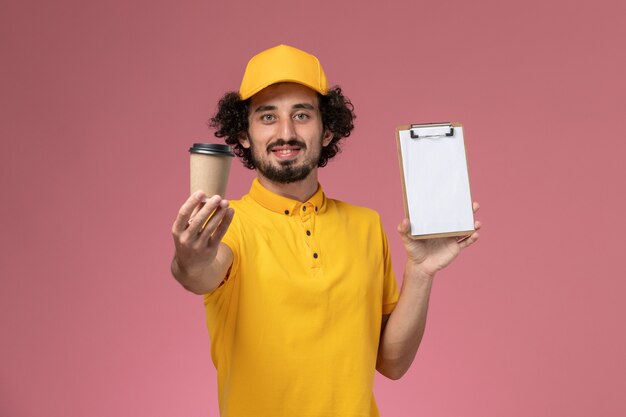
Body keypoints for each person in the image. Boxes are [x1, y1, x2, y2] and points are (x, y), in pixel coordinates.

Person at [171, 44, 481, 417]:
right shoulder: (229, 225)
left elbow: (392, 364)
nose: (286, 133)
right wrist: (190, 256)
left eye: (301, 115)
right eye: (267, 117)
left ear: (327, 130)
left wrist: (421, 272)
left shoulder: (366, 226)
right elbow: (199, 273)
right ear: (243, 135)